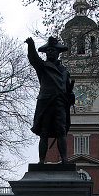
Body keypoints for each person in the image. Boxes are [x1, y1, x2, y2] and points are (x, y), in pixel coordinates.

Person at [25, 36, 75, 164]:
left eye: (53, 50)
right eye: (48, 50)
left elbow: (66, 88)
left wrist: (70, 96)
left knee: (61, 132)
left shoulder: (64, 71)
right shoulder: (43, 66)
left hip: (60, 103)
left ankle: (64, 159)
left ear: (58, 53)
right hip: (46, 102)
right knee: (44, 133)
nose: (50, 52)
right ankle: (42, 160)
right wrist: (31, 45)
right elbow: (33, 59)